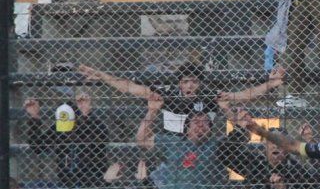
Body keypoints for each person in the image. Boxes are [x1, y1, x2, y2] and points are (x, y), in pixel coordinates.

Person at [79, 63, 285, 134]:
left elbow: (245, 95)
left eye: (194, 82)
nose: (190, 86)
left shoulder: (209, 96)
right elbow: (130, 88)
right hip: (172, 146)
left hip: (202, 145)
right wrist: (101, 76)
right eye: (185, 82)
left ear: (200, 83)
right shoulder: (167, 95)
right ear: (179, 83)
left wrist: (271, 84)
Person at [136, 96, 230, 189]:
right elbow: (141, 139)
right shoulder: (173, 143)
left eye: (205, 122)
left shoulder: (217, 145)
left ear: (211, 129)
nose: (200, 125)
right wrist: (152, 111)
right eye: (195, 122)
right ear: (187, 128)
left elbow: (240, 138)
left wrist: (227, 110)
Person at [216, 109, 315, 189]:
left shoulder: (295, 169)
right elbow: (223, 153)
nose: (276, 146)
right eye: (272, 142)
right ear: (265, 145)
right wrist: (240, 130)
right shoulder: (255, 162)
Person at [23, 93, 109, 189]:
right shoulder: (60, 128)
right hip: (65, 188)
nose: (67, 131)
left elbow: (102, 137)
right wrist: (34, 117)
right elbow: (38, 147)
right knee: (32, 188)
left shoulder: (92, 127)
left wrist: (86, 115)